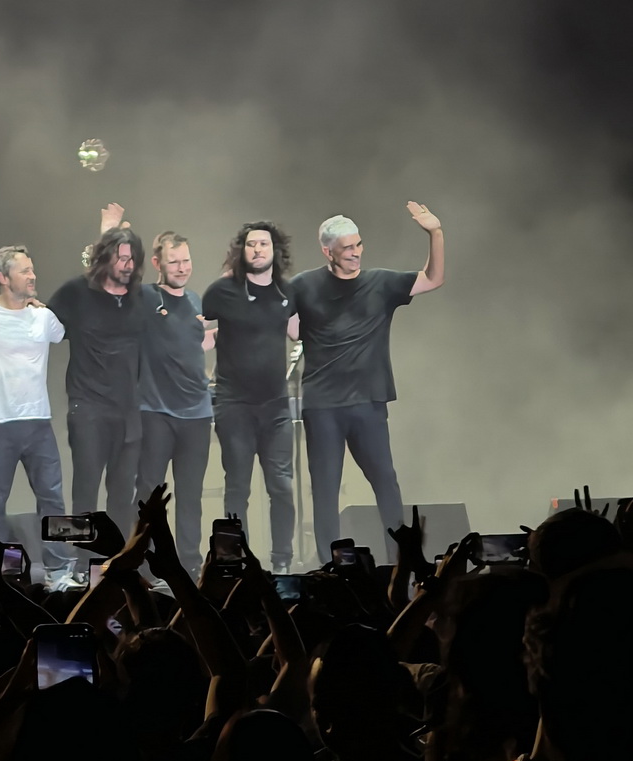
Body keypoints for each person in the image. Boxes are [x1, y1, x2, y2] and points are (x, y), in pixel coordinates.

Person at [287, 202, 444, 562]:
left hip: (368, 403)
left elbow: (433, 279)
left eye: (358, 244)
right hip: (323, 406)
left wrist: (435, 232)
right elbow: (278, 319)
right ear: (327, 251)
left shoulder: (381, 283)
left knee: (385, 482)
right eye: (347, 248)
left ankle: (402, 562)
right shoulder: (304, 285)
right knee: (325, 490)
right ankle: (330, 567)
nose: (356, 252)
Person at [0, 244, 72, 574]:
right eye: (24, 271)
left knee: (52, 499)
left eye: (32, 269)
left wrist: (42, 306)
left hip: (39, 423)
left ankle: (59, 568)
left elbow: (64, 334)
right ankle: (0, 569)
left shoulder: (44, 317)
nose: (32, 275)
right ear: (3, 277)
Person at [202, 221, 297, 572]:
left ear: (275, 250)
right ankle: (234, 561)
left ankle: (282, 562)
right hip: (234, 406)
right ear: (241, 251)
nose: (258, 249)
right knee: (238, 487)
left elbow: (300, 331)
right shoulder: (221, 291)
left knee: (282, 487)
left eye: (264, 244)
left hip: (276, 407)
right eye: (251, 244)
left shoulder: (288, 291)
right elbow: (196, 330)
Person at [47, 205, 145, 538]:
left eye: (131, 259)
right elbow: (43, 324)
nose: (127, 265)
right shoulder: (77, 292)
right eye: (121, 258)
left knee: (123, 494)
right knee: (86, 491)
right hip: (88, 409)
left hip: (129, 412)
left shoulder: (140, 298)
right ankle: (80, 560)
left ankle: (120, 558)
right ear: (105, 259)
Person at [135, 230, 213, 575]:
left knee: (191, 495)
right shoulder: (146, 297)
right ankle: (145, 562)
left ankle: (190, 566)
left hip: (197, 414)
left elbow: (194, 344)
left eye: (186, 261)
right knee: (149, 494)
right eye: (174, 262)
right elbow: (109, 288)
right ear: (157, 263)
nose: (182, 268)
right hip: (156, 411)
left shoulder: (196, 301)